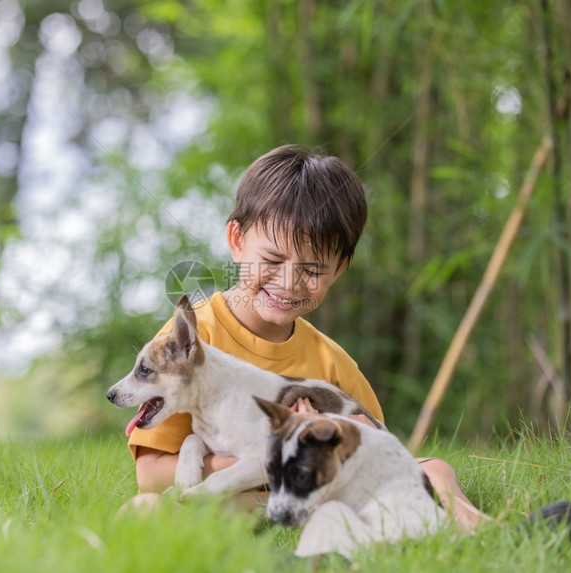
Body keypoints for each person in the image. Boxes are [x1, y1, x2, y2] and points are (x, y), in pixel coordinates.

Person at [126, 144, 484, 531]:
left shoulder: (330, 362)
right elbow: (152, 475)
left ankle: (489, 531)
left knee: (435, 469)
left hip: (324, 500)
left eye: (312, 269)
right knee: (143, 509)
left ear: (339, 269)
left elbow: (386, 454)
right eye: (274, 260)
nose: (289, 282)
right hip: (240, 504)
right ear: (237, 241)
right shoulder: (189, 343)